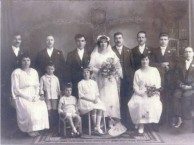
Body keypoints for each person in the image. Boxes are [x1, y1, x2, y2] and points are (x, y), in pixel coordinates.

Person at [89, 35, 124, 131]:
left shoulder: (111, 54)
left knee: (111, 99)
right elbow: (91, 67)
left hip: (110, 81)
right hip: (99, 80)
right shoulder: (95, 55)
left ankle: (110, 120)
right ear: (99, 44)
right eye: (101, 42)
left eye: (105, 42)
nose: (103, 44)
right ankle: (100, 121)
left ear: (107, 43)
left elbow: (118, 66)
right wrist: (100, 71)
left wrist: (112, 71)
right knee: (101, 98)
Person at [11, 54, 49, 137]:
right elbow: (16, 89)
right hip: (22, 96)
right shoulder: (16, 72)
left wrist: (36, 95)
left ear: (30, 61)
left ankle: (36, 128)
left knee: (42, 106)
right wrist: (27, 97)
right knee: (30, 110)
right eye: (24, 60)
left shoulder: (34, 71)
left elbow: (37, 85)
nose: (26, 62)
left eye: (28, 60)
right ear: (20, 62)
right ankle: (29, 129)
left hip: (34, 95)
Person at [128, 54, 162, 134]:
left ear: (149, 60)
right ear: (140, 61)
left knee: (154, 103)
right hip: (141, 93)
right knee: (139, 103)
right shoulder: (137, 72)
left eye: (146, 59)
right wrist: (140, 93)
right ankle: (141, 124)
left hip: (153, 92)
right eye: (143, 60)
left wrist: (153, 91)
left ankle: (152, 122)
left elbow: (158, 83)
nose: (145, 61)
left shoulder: (154, 70)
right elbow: (135, 86)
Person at [152, 33, 176, 125]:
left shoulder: (172, 51)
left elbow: (176, 64)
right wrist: (161, 65)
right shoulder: (155, 51)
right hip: (158, 78)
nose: (163, 41)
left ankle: (169, 120)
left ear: (168, 40)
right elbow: (151, 63)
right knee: (159, 99)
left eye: (165, 39)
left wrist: (169, 65)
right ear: (159, 40)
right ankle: (159, 120)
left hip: (169, 79)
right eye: (161, 39)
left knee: (168, 99)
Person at [112, 32, 134, 129]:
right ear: (114, 40)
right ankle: (117, 122)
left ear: (123, 39)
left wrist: (131, 79)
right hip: (115, 80)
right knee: (117, 101)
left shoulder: (129, 51)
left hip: (127, 81)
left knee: (127, 101)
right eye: (116, 38)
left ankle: (127, 122)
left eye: (120, 38)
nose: (118, 40)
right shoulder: (111, 51)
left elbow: (132, 66)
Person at [78, 67, 106, 134]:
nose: (86, 74)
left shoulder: (94, 82)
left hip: (94, 99)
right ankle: (95, 126)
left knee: (100, 108)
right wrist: (91, 100)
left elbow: (97, 92)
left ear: (90, 73)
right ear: (82, 74)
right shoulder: (80, 83)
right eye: (84, 72)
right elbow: (81, 96)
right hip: (85, 100)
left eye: (87, 72)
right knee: (94, 108)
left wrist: (96, 98)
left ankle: (97, 127)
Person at [172, 47, 194, 130]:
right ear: (184, 54)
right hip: (181, 87)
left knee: (186, 97)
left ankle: (187, 120)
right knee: (176, 96)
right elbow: (176, 76)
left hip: (192, 87)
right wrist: (180, 84)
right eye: (186, 52)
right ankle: (179, 118)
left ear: (193, 53)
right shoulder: (180, 64)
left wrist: (191, 86)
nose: (188, 53)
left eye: (190, 52)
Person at [66, 34, 90, 98]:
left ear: (85, 42)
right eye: (78, 41)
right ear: (75, 42)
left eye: (82, 41)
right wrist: (69, 81)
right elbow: (68, 69)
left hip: (87, 80)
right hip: (75, 81)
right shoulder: (70, 54)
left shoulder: (90, 53)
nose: (80, 43)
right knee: (76, 97)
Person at [40, 62, 60, 127]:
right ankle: (48, 124)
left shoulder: (56, 78)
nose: (50, 70)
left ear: (54, 69)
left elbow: (58, 87)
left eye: (51, 69)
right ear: (46, 69)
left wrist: (59, 95)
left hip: (54, 96)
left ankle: (54, 124)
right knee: (48, 110)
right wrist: (42, 94)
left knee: (54, 109)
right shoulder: (43, 78)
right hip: (47, 96)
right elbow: (40, 88)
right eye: (48, 69)